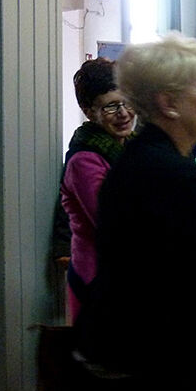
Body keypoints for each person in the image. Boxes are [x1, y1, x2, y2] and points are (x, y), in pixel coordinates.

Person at [74, 35, 196, 391]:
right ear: (169, 103)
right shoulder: (177, 178)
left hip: (129, 367)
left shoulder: (134, 162)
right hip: (155, 382)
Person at [59, 58, 135, 324]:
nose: (124, 113)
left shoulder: (132, 146)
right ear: (89, 111)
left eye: (127, 102)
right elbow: (115, 223)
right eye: (111, 106)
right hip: (99, 282)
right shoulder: (84, 160)